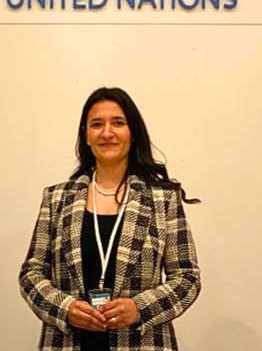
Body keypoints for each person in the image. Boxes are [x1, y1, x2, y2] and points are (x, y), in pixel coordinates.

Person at [19, 86, 201, 351]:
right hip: (67, 343)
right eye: (96, 124)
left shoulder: (163, 199)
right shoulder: (56, 199)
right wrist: (65, 309)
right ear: (86, 135)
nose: (107, 133)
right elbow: (31, 273)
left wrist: (139, 308)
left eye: (118, 123)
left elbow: (187, 277)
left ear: (133, 133)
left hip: (142, 343)